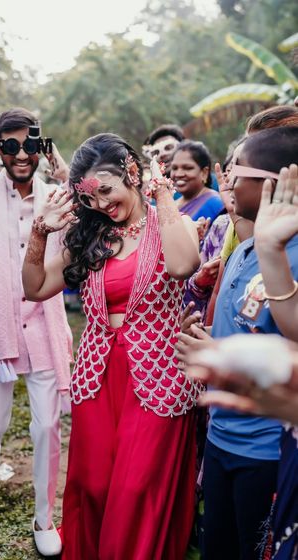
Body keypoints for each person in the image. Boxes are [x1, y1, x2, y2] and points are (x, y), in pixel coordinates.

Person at [22, 132, 203, 559]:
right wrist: (40, 231)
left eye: (107, 190)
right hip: (98, 375)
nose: (101, 204)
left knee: (136, 487)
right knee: (97, 484)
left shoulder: (172, 223)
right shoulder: (88, 238)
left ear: (132, 173)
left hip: (159, 374)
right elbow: (34, 288)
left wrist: (163, 196)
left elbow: (182, 265)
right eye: (90, 198)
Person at [176, 127, 298, 560]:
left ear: (271, 183)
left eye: (235, 170)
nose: (224, 180)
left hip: (268, 451)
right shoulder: (242, 252)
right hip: (221, 439)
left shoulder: (291, 258)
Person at [0, 107, 72, 557]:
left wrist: (65, 173)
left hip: (44, 328)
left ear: (42, 146)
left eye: (30, 144)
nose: (21, 153)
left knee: (47, 426)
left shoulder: (58, 196)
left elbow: (90, 223)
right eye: (10, 145)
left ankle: (44, 517)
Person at [171, 140, 224, 230]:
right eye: (174, 168)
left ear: (204, 172)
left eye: (187, 168)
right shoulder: (172, 205)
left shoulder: (216, 204)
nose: (178, 174)